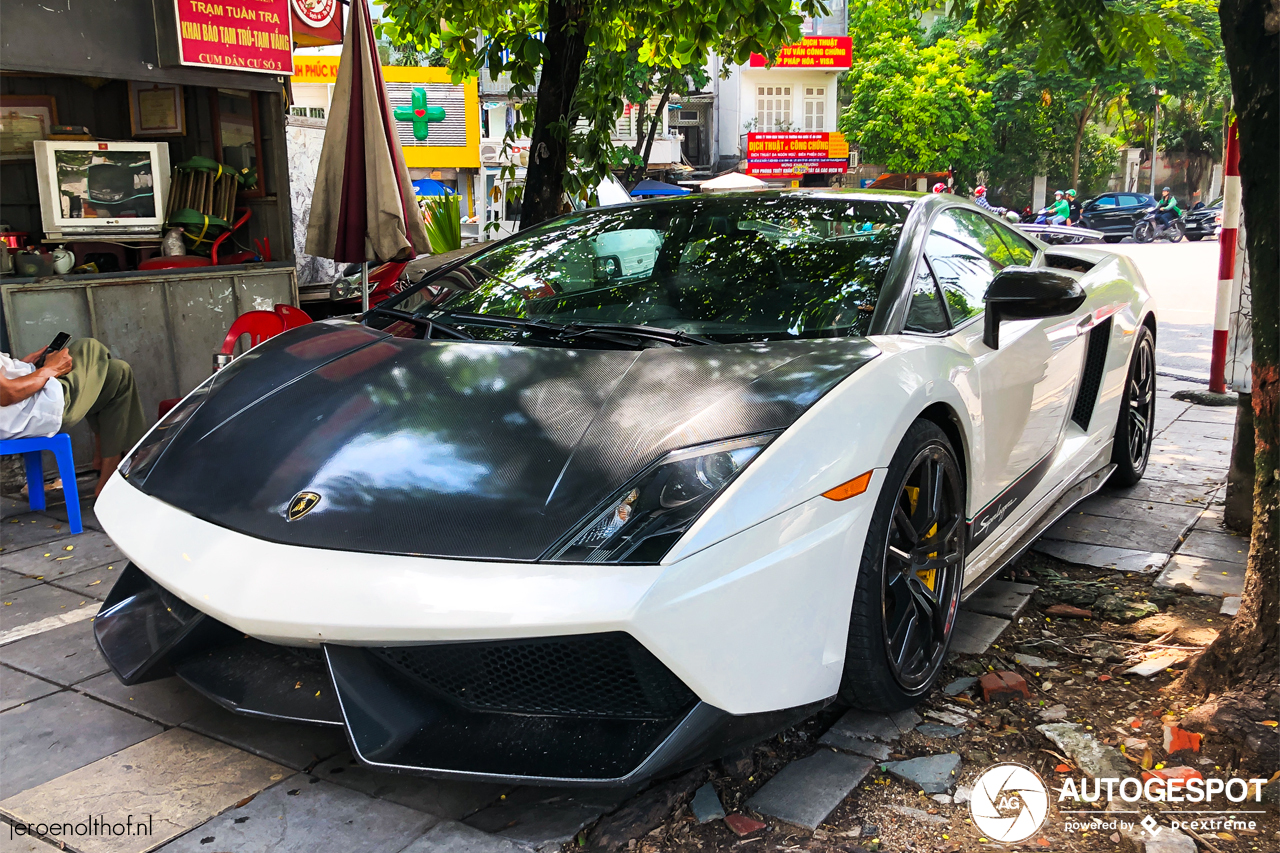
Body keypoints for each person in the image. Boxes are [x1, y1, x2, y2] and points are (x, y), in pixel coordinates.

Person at [1, 338, 146, 497]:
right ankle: (116, 461)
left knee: (117, 373)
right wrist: (49, 368)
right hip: (35, 409)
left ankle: (106, 465)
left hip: (27, 404)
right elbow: (8, 394)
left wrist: (23, 366)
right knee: (89, 346)